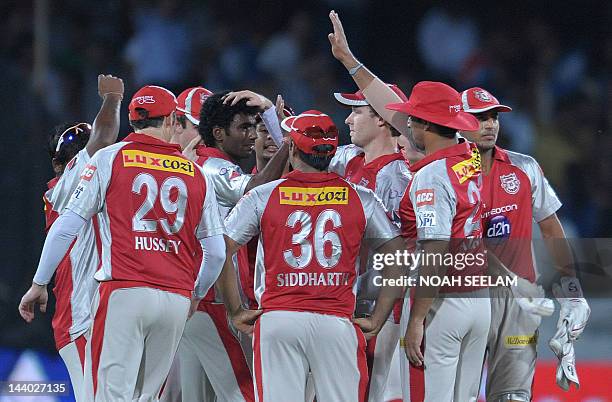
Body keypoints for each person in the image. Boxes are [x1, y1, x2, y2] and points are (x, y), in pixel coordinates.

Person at [21, 84, 226, 401]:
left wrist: (38, 282)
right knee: (147, 397)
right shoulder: (197, 173)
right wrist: (196, 295)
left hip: (123, 291)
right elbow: (215, 253)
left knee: (110, 395)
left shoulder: (110, 158)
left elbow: (66, 227)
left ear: (132, 120)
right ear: (172, 119)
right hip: (175, 298)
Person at [216, 109, 406, 402]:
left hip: (279, 321)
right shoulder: (361, 197)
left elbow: (220, 249)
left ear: (291, 147)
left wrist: (235, 310)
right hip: (338, 322)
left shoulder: (263, 195)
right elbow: (397, 255)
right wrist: (379, 316)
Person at [458, 87, 591, 401]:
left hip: (519, 304)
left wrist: (572, 293)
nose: (490, 124)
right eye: (479, 117)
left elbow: (551, 229)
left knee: (514, 395)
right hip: (462, 297)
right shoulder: (440, 173)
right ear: (458, 120)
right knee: (457, 395)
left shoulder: (524, 167)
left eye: (493, 117)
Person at [20, 74, 123, 401]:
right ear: (58, 165)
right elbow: (104, 140)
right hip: (81, 316)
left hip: (103, 310)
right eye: (78, 155)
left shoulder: (108, 182)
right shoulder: (65, 186)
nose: (88, 159)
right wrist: (112, 98)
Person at [388, 81, 489, 401]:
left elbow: (435, 248)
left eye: (413, 119)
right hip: (479, 298)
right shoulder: (470, 156)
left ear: (428, 124)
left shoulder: (432, 176)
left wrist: (417, 318)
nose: (408, 126)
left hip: (440, 303)